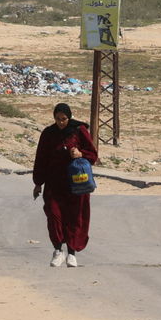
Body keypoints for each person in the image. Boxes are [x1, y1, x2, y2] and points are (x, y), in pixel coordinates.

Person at [34, 103, 98, 267]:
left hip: (76, 184)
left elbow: (93, 154)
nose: (61, 122)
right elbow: (41, 158)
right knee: (54, 215)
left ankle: (71, 253)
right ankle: (57, 250)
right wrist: (38, 183)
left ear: (69, 118)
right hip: (54, 183)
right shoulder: (48, 134)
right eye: (58, 119)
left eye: (64, 119)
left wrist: (80, 153)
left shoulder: (79, 130)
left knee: (74, 217)